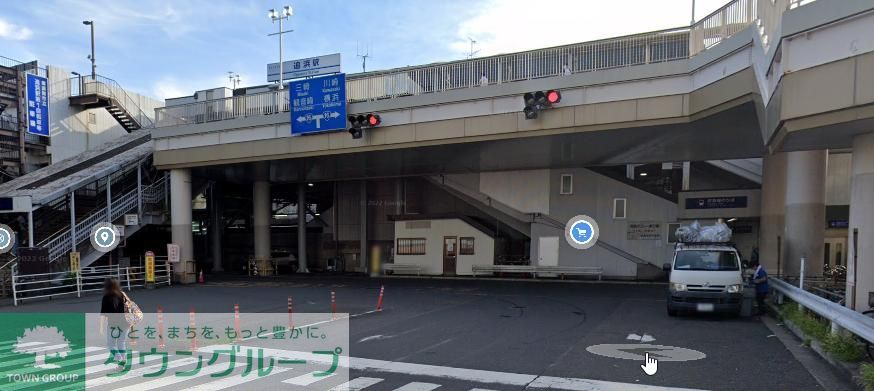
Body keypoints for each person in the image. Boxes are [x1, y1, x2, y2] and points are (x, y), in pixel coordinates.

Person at [100, 278, 128, 365]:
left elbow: (103, 314)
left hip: (113, 323)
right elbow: (129, 308)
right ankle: (123, 360)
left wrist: (101, 327)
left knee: (111, 344)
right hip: (125, 323)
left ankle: (119, 358)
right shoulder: (122, 295)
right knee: (121, 342)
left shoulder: (106, 297)